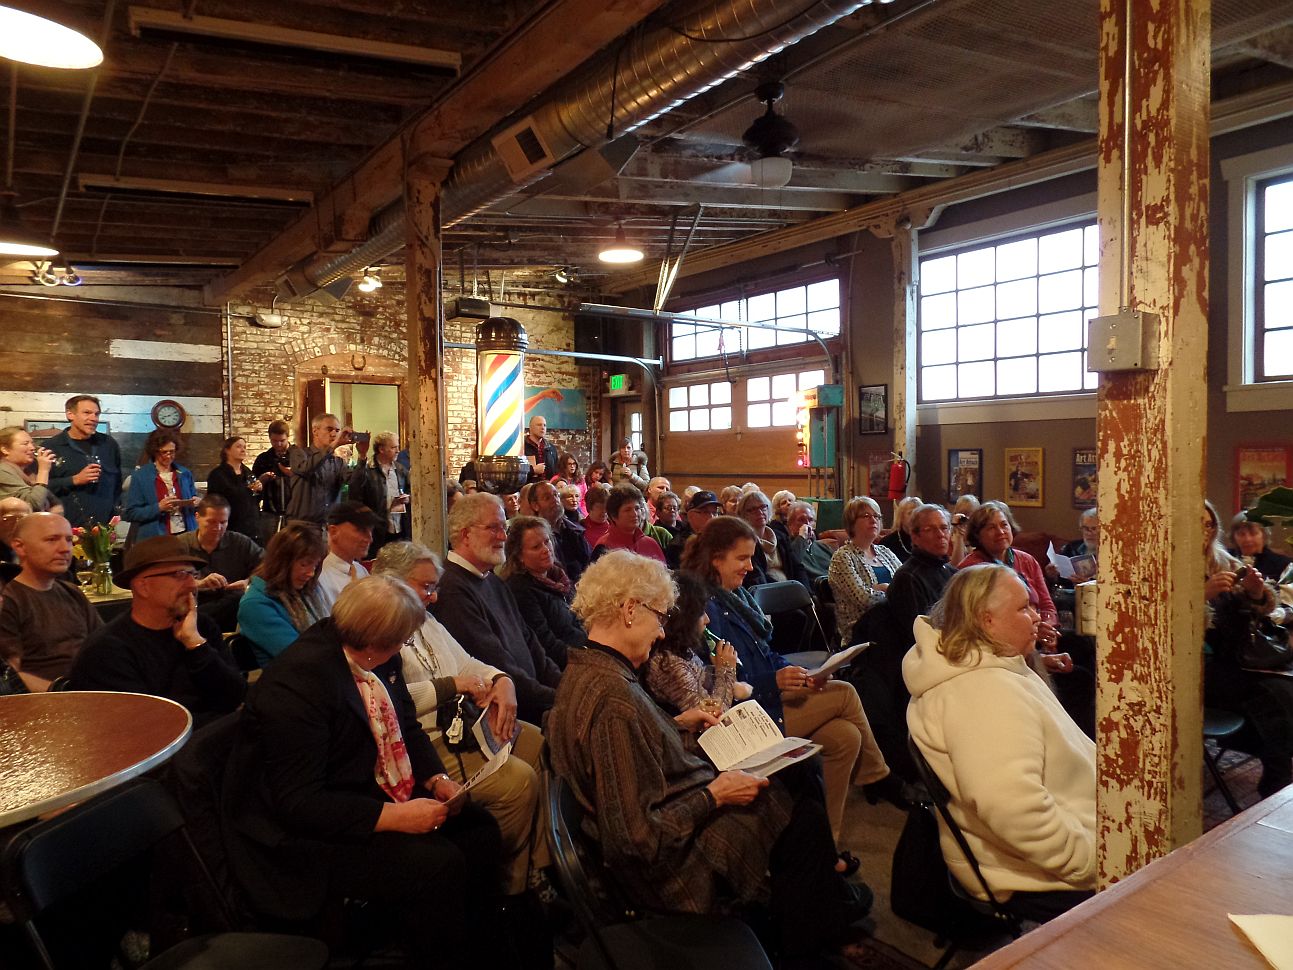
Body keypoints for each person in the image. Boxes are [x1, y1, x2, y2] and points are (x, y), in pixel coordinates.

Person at [548, 550, 870, 961]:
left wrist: (676, 724)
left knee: (794, 781)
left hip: (672, 809)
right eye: (660, 617)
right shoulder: (613, 700)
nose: (661, 633)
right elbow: (635, 840)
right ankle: (808, 949)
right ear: (629, 610)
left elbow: (631, 750)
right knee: (801, 818)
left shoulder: (587, 670)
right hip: (672, 868)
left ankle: (817, 916)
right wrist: (715, 795)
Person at [222, 576, 503, 966]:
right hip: (302, 834)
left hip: (362, 786)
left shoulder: (375, 657)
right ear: (374, 643)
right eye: (401, 641)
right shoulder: (297, 683)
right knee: (437, 864)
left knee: (479, 829)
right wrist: (395, 817)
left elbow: (406, 724)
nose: (403, 648)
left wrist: (436, 779)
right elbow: (300, 802)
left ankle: (482, 947)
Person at [680, 516, 900, 872]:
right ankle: (879, 776)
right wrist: (776, 680)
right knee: (845, 692)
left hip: (766, 698)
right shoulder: (705, 607)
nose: (750, 566)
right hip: (744, 715)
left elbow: (766, 654)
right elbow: (719, 679)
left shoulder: (735, 597)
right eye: (741, 558)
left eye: (750, 557)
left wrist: (799, 674)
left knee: (845, 737)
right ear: (716, 559)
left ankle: (824, 848)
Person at [904, 564, 1097, 922]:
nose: (1036, 617)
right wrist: (1090, 860)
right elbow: (1015, 810)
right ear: (986, 620)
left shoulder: (990, 666)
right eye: (1024, 608)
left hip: (1062, 837)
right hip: (1035, 872)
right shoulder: (983, 691)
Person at [372, 542, 548, 897]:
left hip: (460, 723)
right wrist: (452, 685)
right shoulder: (380, 627)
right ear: (394, 583)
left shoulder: (426, 620)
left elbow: (468, 663)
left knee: (537, 742)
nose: (434, 597)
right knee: (519, 782)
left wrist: (502, 681)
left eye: (434, 587)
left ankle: (537, 866)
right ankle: (506, 884)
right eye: (426, 587)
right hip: (424, 738)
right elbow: (390, 701)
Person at [69, 535, 245, 726]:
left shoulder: (201, 626)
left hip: (218, 734)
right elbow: (145, 728)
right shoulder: (107, 651)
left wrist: (196, 645)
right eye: (179, 575)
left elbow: (235, 696)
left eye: (193, 575)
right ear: (143, 586)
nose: (192, 585)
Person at [433, 493, 562, 726]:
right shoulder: (452, 589)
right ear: (466, 534)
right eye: (493, 528)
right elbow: (496, 665)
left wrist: (565, 686)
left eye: (504, 527)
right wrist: (561, 699)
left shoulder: (492, 580)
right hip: (509, 713)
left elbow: (532, 645)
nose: (503, 536)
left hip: (536, 700)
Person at [1203, 499, 1293, 798]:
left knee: (1284, 689)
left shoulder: (1225, 561)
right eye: (1197, 524)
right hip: (1199, 665)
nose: (1204, 531)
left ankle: (1277, 771)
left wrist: (1256, 594)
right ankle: (1277, 777)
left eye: (1209, 525)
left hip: (1239, 656)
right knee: (1273, 695)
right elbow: (1161, 623)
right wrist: (1201, 596)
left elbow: (1262, 612)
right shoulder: (1168, 564)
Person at [0, 512, 102, 691]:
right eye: (52, 540)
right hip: (47, 700)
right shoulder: (6, 599)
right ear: (20, 547)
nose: (65, 549)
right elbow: (10, 677)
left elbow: (103, 646)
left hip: (92, 689)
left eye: (69, 540)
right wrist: (66, 693)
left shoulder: (72, 591)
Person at [644, 571, 751, 716]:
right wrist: (726, 670)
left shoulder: (680, 648)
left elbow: (703, 684)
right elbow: (713, 717)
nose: (707, 619)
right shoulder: (670, 665)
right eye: (701, 614)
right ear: (684, 619)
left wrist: (717, 670)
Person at [237, 522, 328, 667]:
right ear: (282, 562)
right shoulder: (255, 605)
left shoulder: (307, 591)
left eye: (315, 565)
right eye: (304, 564)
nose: (311, 573)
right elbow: (299, 656)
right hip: (293, 677)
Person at [501, 516, 585, 669]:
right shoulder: (520, 590)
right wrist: (588, 656)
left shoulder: (558, 575)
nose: (546, 550)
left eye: (547, 541)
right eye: (536, 547)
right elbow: (545, 643)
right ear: (519, 556)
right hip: (565, 665)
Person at [828, 496, 903, 647]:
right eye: (866, 516)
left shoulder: (885, 552)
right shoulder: (842, 557)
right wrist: (891, 590)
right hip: (861, 632)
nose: (873, 520)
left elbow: (906, 584)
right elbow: (864, 599)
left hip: (892, 621)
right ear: (852, 522)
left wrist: (883, 588)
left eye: (877, 516)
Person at [45, 394, 123, 529]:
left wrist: (115, 511)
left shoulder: (108, 444)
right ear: (70, 414)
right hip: (66, 529)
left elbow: (117, 483)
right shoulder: (51, 447)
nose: (94, 418)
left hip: (105, 529)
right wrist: (74, 480)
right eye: (87, 413)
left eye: (96, 414)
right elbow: (41, 488)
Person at [888, 504, 957, 646]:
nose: (940, 534)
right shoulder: (908, 578)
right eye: (930, 529)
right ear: (915, 537)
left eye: (944, 528)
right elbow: (919, 634)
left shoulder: (952, 573)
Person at [123, 429, 197, 540]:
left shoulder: (184, 473)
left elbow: (193, 499)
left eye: (172, 452)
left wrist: (196, 502)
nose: (168, 456)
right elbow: (131, 513)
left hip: (185, 535)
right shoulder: (141, 476)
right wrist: (158, 507)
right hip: (155, 538)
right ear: (155, 451)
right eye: (164, 452)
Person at [348, 430, 411, 554]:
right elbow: (354, 493)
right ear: (381, 449)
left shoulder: (400, 469)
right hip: (377, 531)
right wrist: (362, 455)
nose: (398, 451)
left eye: (398, 447)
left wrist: (408, 498)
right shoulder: (367, 470)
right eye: (393, 447)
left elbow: (411, 490)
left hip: (400, 528)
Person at [287, 412, 352, 524]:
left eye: (337, 431)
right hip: (303, 524)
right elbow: (306, 469)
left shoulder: (338, 462)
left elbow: (355, 482)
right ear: (315, 431)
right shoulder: (299, 453)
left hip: (328, 525)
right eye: (329, 429)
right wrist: (332, 447)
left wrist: (362, 456)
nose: (334, 434)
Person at [316, 501, 379, 611]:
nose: (370, 539)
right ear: (334, 532)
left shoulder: (361, 571)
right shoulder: (320, 578)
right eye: (361, 530)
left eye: (371, 531)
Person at [738, 489, 808, 588]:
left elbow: (797, 567)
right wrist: (789, 590)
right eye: (753, 509)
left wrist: (805, 590)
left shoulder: (780, 536)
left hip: (792, 588)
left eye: (763, 507)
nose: (760, 512)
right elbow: (757, 578)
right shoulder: (745, 542)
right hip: (767, 591)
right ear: (743, 514)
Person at [525, 480, 590, 583]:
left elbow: (589, 563)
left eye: (556, 495)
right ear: (535, 505)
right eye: (547, 498)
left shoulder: (575, 530)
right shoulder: (533, 538)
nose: (555, 500)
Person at [204, 435, 263, 540]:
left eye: (244, 447)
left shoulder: (248, 472)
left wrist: (259, 488)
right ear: (227, 450)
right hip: (230, 525)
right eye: (238, 446)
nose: (243, 450)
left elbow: (255, 498)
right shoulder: (218, 474)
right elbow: (215, 501)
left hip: (251, 526)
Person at [592, 484, 665, 562]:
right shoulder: (604, 546)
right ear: (613, 515)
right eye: (627, 510)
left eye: (637, 508)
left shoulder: (650, 544)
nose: (635, 514)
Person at [250, 419, 293, 543]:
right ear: (269, 438)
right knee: (270, 548)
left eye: (282, 441)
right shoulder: (263, 459)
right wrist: (261, 480)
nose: (278, 444)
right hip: (270, 513)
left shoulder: (299, 456)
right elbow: (253, 488)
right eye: (274, 441)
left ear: (288, 437)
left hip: (294, 513)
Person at [0, 426, 55, 511]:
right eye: (25, 444)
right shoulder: (2, 471)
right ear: (5, 450)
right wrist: (43, 471)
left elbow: (54, 502)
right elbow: (34, 504)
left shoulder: (28, 472)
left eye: (32, 443)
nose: (32, 448)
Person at [1228, 512, 1292, 582]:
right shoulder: (1226, 559)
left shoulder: (1283, 564)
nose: (1247, 539)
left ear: (1264, 535)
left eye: (1253, 533)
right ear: (1233, 537)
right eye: (1241, 534)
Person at [665, 489, 721, 569]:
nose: (712, 517)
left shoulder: (721, 541)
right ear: (691, 515)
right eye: (705, 512)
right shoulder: (678, 546)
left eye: (715, 513)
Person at [878, 495, 923, 563]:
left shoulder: (927, 540)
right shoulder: (887, 543)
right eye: (910, 513)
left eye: (917, 513)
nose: (914, 517)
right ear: (901, 517)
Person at [523, 415, 559, 483]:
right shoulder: (522, 447)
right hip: (528, 487)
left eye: (544, 425)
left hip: (548, 487)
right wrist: (533, 470)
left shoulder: (551, 448)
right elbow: (516, 471)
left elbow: (556, 472)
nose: (542, 428)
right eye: (539, 425)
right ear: (531, 427)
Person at [948, 494, 981, 568]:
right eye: (964, 515)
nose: (967, 519)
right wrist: (959, 537)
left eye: (972, 515)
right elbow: (955, 568)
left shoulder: (981, 537)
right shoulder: (949, 538)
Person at [580, 483, 611, 548]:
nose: (604, 511)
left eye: (607, 507)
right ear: (589, 507)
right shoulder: (580, 530)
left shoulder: (614, 527)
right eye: (600, 507)